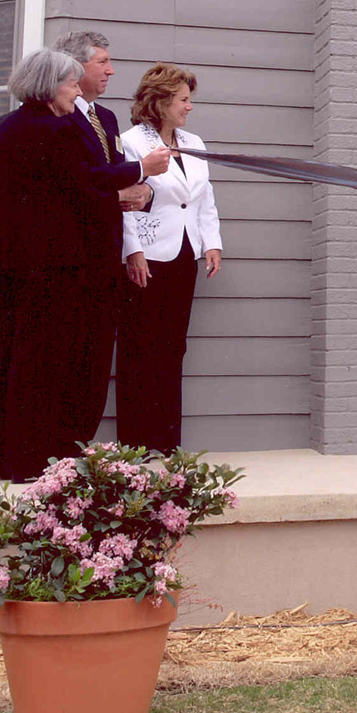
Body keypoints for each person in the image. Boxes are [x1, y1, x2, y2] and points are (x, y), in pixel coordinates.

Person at [0, 49, 97, 481]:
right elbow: (88, 185)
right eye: (72, 84)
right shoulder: (57, 131)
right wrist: (142, 170)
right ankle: (25, 461)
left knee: (1, 346)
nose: (78, 92)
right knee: (38, 353)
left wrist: (13, 214)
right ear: (48, 85)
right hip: (47, 259)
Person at [53, 31, 172, 441]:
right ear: (74, 67)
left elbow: (121, 180)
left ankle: (80, 443)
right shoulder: (56, 117)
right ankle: (61, 447)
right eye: (102, 61)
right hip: (69, 255)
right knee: (68, 352)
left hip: (107, 254)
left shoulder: (104, 118)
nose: (111, 69)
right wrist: (136, 177)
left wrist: (144, 192)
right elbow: (80, 184)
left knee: (98, 353)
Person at [115, 63, 223, 452]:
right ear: (159, 103)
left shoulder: (193, 142)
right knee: (139, 348)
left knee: (172, 347)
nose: (190, 107)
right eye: (183, 100)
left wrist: (211, 243)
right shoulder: (130, 142)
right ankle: (136, 444)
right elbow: (125, 200)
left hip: (183, 255)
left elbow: (203, 198)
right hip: (147, 257)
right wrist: (133, 251)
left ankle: (166, 441)